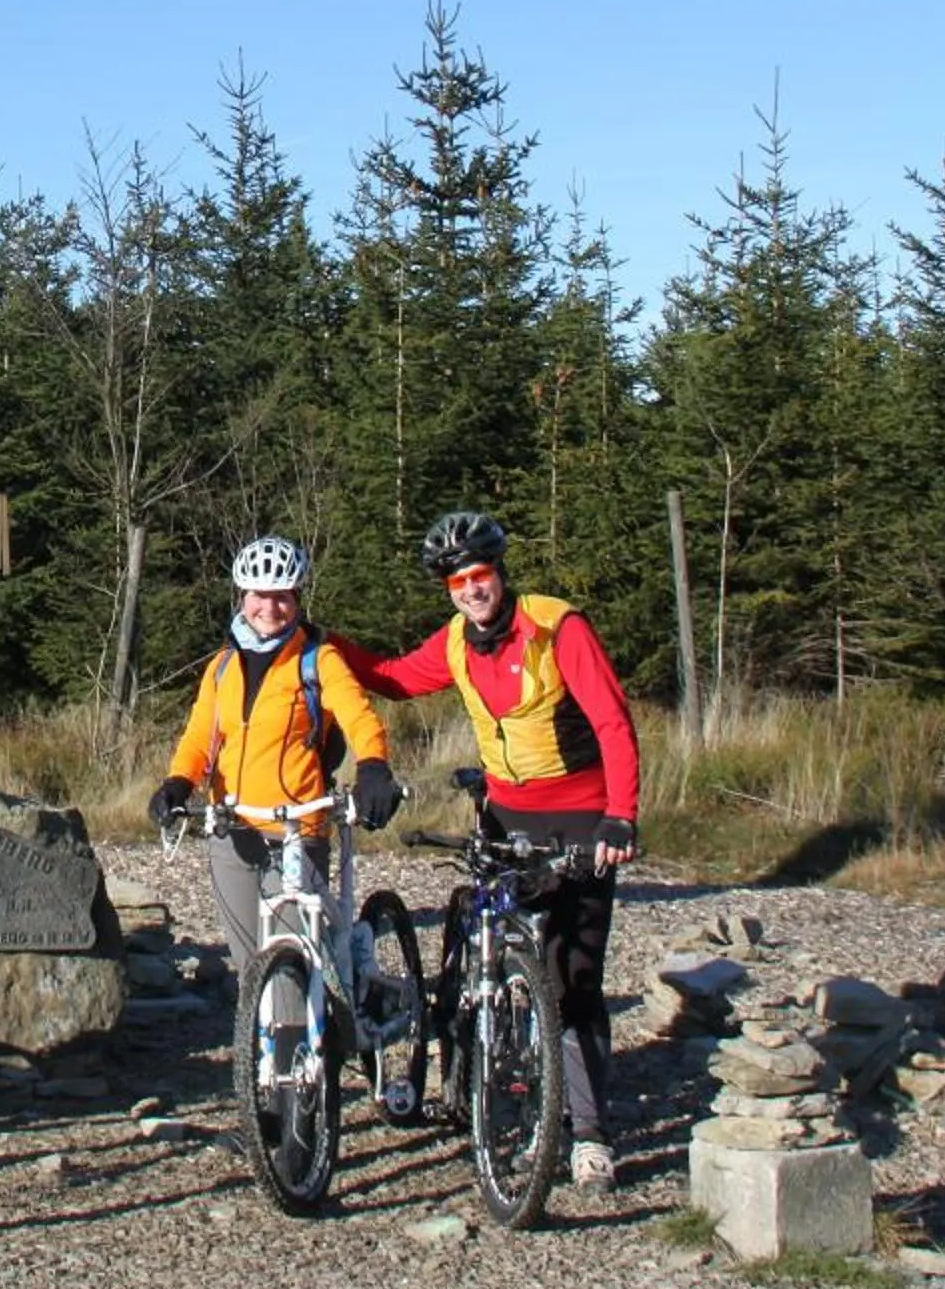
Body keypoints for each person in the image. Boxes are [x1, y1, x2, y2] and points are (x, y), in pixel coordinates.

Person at [351, 508, 641, 1195]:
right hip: (505, 811)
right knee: (479, 929)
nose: (472, 590)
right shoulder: (456, 641)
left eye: (481, 576)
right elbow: (392, 678)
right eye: (458, 581)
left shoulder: (554, 625)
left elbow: (612, 720)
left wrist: (620, 818)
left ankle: (591, 1133)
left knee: (572, 977)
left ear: (501, 574)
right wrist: (322, 643)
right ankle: (470, 1066)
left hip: (578, 814)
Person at [147, 534, 403, 984]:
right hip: (232, 826)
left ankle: (310, 1048)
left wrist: (374, 767)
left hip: (295, 829)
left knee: (288, 971)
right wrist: (178, 783)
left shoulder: (318, 660)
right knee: (251, 972)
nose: (269, 607)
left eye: (281, 596)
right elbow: (199, 738)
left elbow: (359, 717)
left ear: (297, 598)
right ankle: (264, 1053)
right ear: (243, 596)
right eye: (259, 595)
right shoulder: (223, 666)